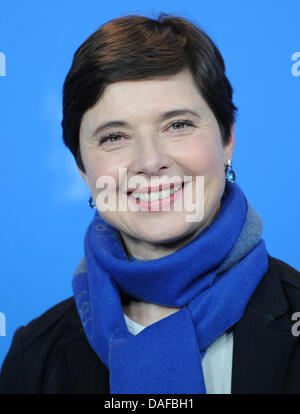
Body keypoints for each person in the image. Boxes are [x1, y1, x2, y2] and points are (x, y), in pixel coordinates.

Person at [0, 13, 299, 395]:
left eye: (177, 125)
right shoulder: (33, 359)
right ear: (81, 168)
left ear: (227, 140)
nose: (148, 161)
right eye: (114, 136)